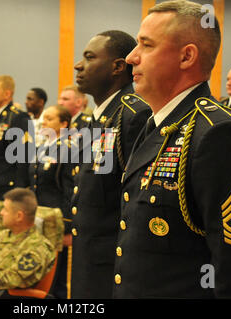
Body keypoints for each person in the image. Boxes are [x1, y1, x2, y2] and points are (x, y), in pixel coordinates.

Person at [114, 0, 231, 298]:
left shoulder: (219, 135)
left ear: (186, 56)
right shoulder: (158, 125)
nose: (131, 57)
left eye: (146, 45)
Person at [70, 30, 151, 299]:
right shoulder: (103, 116)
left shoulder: (133, 115)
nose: (77, 65)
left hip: (114, 266)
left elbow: (135, 201)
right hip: (91, 258)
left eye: (89, 57)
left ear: (117, 66)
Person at [28, 105, 75, 299]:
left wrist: (66, 226)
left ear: (63, 124)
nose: (43, 122)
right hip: (39, 218)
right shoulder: (41, 147)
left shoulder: (69, 150)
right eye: (43, 119)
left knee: (57, 276)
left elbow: (70, 191)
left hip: (56, 221)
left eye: (49, 119)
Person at [0, 75, 34, 199]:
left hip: (7, 188)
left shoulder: (18, 117)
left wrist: (19, 189)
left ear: (7, 94)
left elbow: (23, 156)